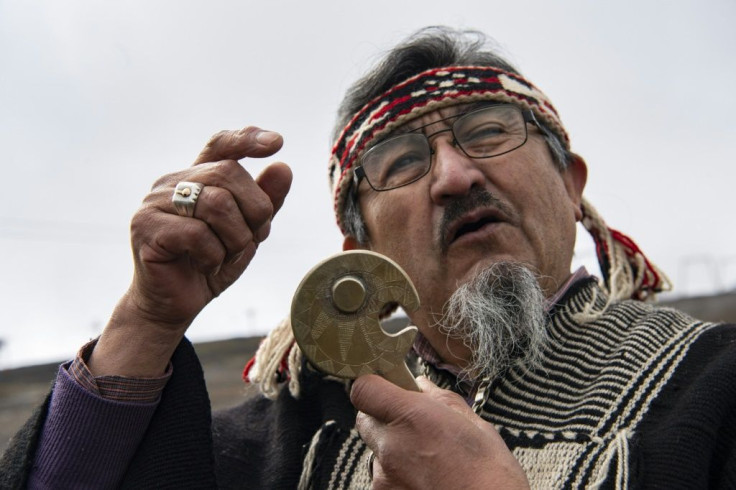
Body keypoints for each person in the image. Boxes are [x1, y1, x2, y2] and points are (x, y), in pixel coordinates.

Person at [2, 26, 735, 489]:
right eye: (402, 161)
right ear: (360, 249)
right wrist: (147, 318)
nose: (455, 176)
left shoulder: (715, 382)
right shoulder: (281, 442)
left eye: (486, 131)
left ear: (573, 186)